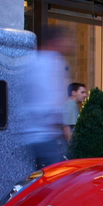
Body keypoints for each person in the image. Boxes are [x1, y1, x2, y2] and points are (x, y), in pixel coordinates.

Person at [20, 26, 71, 170]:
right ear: (55, 41)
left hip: (31, 136)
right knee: (54, 180)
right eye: (65, 40)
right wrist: (61, 131)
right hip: (47, 136)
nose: (68, 45)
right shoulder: (54, 61)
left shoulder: (33, 62)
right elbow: (53, 103)